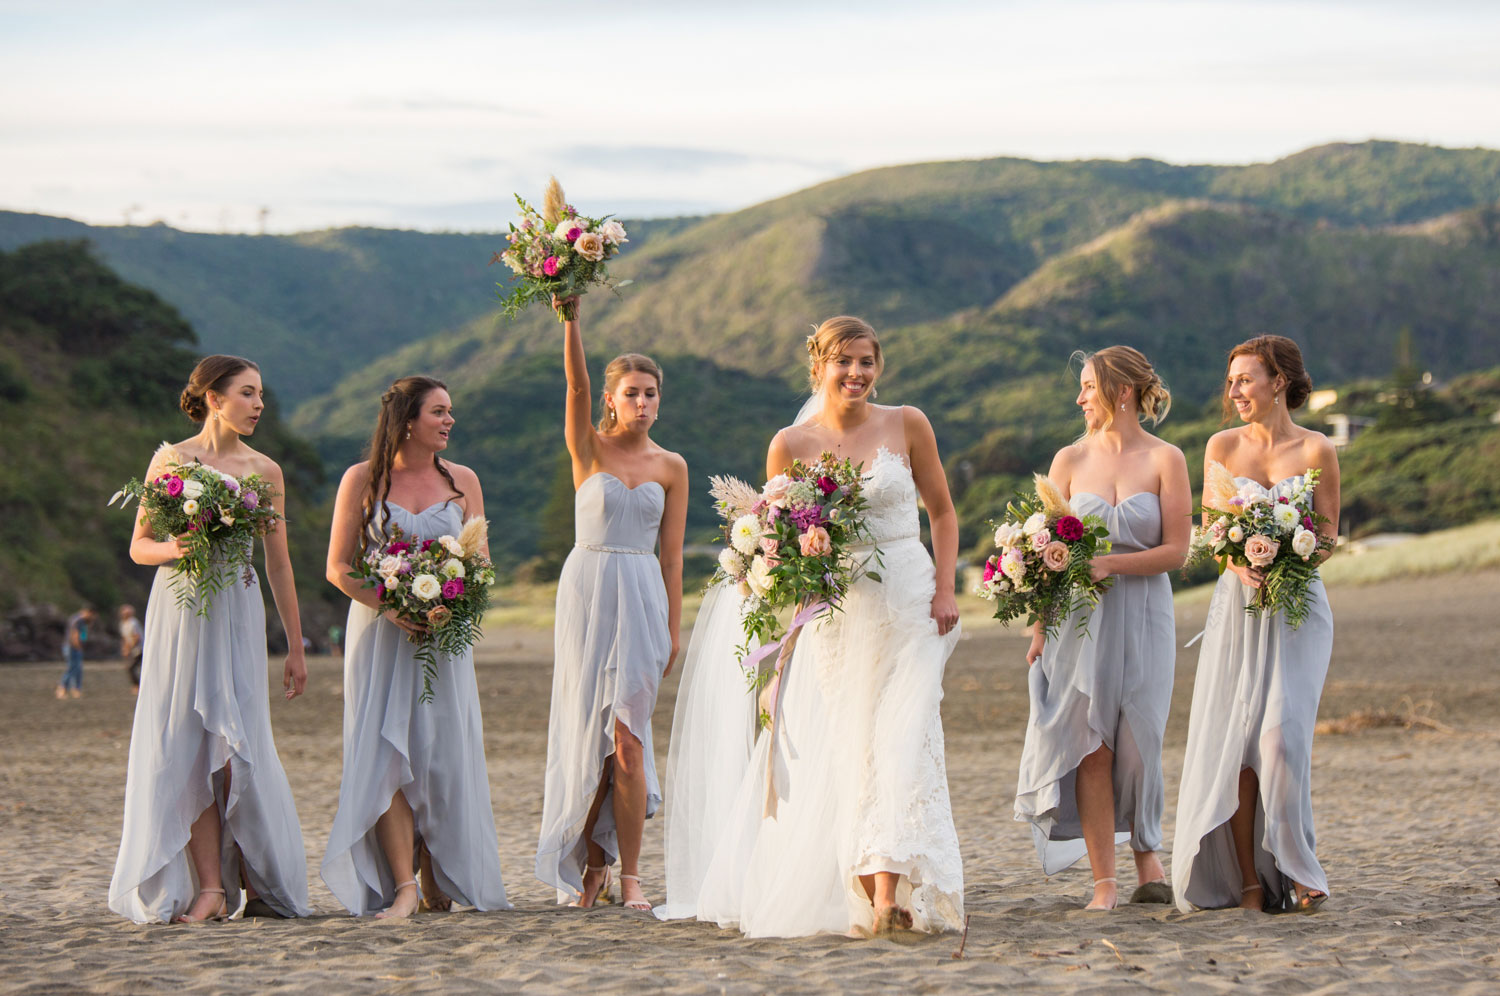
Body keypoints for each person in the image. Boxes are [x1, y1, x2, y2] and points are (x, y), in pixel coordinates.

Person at [685, 316, 965, 937]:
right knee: (856, 744)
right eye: (844, 362)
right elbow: (777, 542)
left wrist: (946, 589)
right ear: (819, 367)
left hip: (913, 600)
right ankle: (875, 890)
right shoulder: (790, 444)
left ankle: (891, 891)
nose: (856, 374)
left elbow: (942, 514)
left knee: (905, 733)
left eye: (866, 361)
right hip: (839, 612)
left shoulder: (908, 423)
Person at [108, 354, 310, 924]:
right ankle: (210, 889)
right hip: (179, 607)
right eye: (248, 393)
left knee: (237, 743)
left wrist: (294, 646)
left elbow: (279, 566)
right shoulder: (171, 460)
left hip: (238, 609)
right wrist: (177, 549)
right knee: (187, 741)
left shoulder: (266, 470)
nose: (259, 405)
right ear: (214, 398)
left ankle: (249, 875)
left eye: (262, 395)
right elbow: (140, 544)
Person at [322, 375, 510, 918]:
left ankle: (440, 877)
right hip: (381, 635)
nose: (450, 421)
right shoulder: (362, 479)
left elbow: (482, 565)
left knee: (440, 756)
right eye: (439, 412)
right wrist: (395, 605)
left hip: (445, 637)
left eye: (451, 412)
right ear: (408, 420)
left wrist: (455, 598)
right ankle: (404, 885)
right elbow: (338, 568)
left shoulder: (464, 480)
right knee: (388, 754)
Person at [1013, 347, 1190, 910]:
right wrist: (1039, 629)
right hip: (1078, 621)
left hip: (1144, 614)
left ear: (1122, 392)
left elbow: (1177, 551)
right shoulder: (1067, 461)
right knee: (1092, 744)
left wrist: (1112, 562)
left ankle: (1148, 853)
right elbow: (1048, 553)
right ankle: (1106, 884)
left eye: (1088, 386)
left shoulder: (1168, 459)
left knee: (1139, 742)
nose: (1079, 397)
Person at [1173, 335, 1339, 914]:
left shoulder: (1318, 450)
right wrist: (1242, 559)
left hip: (1297, 611)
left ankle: (1298, 869)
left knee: (1280, 740)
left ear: (1279, 382)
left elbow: (1328, 537)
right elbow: (1215, 536)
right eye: (1232, 381)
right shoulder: (1220, 447)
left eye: (1246, 379)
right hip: (1239, 611)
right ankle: (1248, 882)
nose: (1235, 390)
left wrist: (1288, 557)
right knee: (1239, 748)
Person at [535, 296, 687, 912]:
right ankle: (593, 866)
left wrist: (674, 631)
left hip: (644, 598)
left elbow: (672, 559)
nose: (643, 403)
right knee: (590, 737)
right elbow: (572, 383)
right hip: (587, 594)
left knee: (629, 741)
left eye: (651, 393)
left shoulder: (671, 465)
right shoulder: (589, 450)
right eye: (632, 393)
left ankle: (631, 877)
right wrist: (570, 317)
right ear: (610, 398)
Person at [56, 606, 94, 699]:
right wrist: (78, 646)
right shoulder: (79, 620)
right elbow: (75, 634)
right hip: (72, 647)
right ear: (87, 612)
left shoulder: (78, 619)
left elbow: (83, 634)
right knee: (73, 668)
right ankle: (63, 687)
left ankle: (75, 689)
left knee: (77, 668)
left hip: (71, 646)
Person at [118, 604, 143, 694]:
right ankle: (137, 685)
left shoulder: (133, 623)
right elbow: (124, 638)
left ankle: (138, 686)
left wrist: (129, 648)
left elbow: (137, 637)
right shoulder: (123, 624)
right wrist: (124, 648)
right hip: (133, 649)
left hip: (139, 649)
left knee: (131, 667)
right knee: (131, 668)